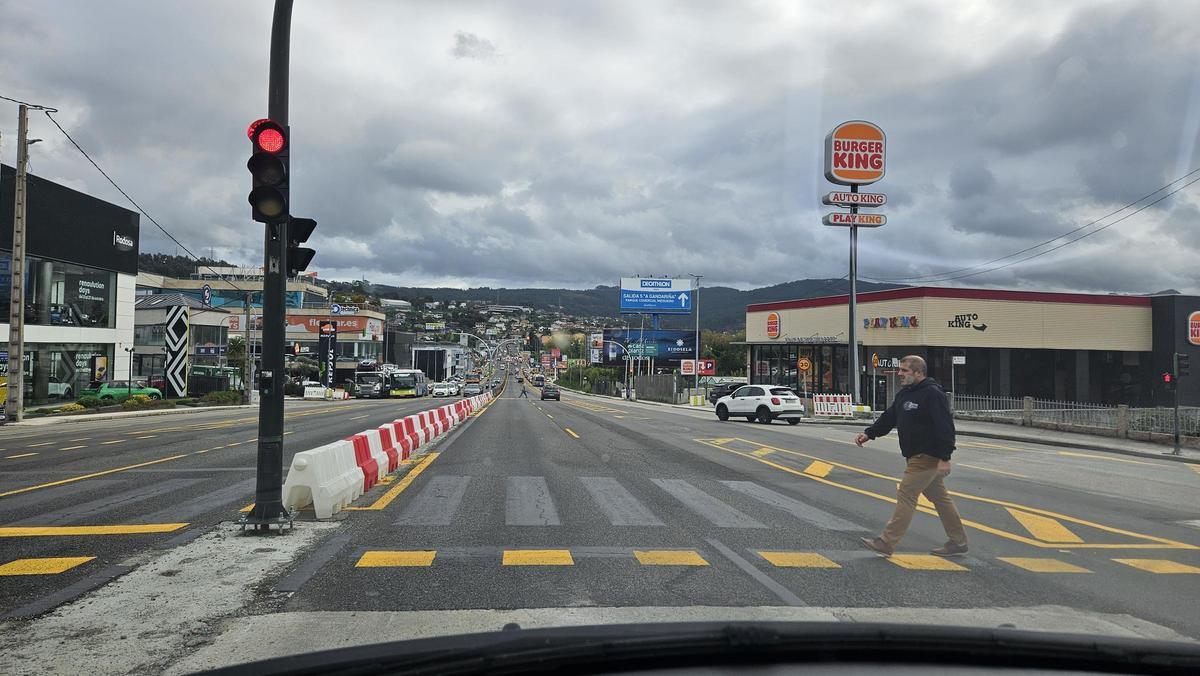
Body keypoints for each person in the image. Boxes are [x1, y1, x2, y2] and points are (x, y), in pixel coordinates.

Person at [854, 355, 968, 558]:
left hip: (926, 456)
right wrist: (869, 433)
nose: (900, 374)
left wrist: (945, 457)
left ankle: (886, 542)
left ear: (919, 372)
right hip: (915, 455)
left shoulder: (932, 394)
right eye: (900, 370)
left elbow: (945, 427)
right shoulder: (905, 394)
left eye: (905, 371)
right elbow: (890, 417)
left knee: (906, 494)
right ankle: (958, 542)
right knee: (940, 499)